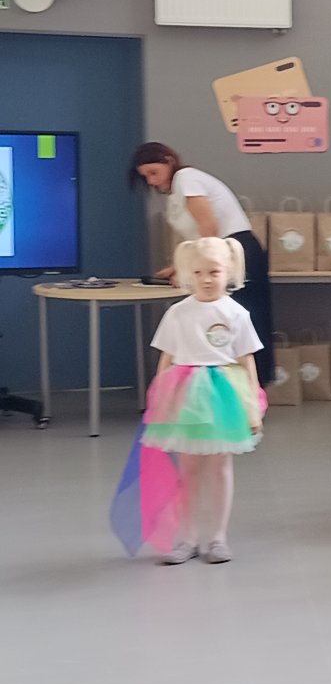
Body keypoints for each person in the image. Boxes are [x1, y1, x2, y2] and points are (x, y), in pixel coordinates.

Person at [110, 237, 265, 565]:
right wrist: (160, 400)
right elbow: (166, 359)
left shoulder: (236, 313)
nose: (206, 279)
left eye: (214, 272)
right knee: (188, 470)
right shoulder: (178, 313)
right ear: (187, 274)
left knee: (220, 468)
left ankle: (218, 538)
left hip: (223, 395)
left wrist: (252, 405)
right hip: (185, 395)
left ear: (229, 271)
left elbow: (246, 361)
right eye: (198, 272)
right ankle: (187, 538)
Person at [130, 142, 275, 384]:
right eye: (146, 177)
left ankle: (250, 388)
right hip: (221, 252)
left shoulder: (186, 178)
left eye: (154, 172)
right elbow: (200, 235)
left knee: (240, 324)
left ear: (169, 161)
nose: (152, 181)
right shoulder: (179, 189)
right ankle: (240, 387)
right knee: (230, 324)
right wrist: (178, 267)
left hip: (232, 251)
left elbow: (209, 228)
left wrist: (190, 270)